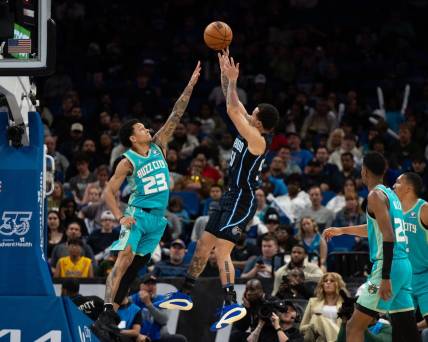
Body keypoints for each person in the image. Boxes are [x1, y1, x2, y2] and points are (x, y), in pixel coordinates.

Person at [153, 49, 279, 331]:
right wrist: (225, 75)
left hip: (242, 200)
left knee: (222, 251)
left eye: (254, 112)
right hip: (229, 196)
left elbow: (233, 108)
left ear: (260, 123)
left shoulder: (257, 139)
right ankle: (185, 292)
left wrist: (234, 83)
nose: (250, 112)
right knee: (202, 245)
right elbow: (233, 102)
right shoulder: (251, 126)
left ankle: (232, 302)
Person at [92, 62, 201, 340]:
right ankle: (106, 311)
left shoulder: (159, 145)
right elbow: (108, 192)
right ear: (132, 137)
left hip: (157, 220)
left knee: (134, 272)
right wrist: (120, 216)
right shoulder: (128, 160)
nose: (146, 129)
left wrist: (190, 84)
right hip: (137, 215)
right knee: (124, 259)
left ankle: (107, 319)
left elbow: (177, 113)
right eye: (141, 128)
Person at [323, 152, 420, 342]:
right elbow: (374, 229)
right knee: (407, 330)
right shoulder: (390, 195)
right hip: (403, 266)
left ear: (364, 171)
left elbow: (389, 237)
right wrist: (342, 230)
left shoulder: (375, 195)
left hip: (389, 267)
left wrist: (385, 277)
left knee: (353, 327)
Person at [393, 172, 428, 331]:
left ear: (408, 188)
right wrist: (343, 230)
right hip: (404, 278)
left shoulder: (424, 209)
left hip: (424, 275)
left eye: (397, 182)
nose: (393, 186)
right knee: (400, 327)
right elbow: (373, 229)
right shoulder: (394, 212)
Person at [130, 274, 188, 342]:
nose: (151, 287)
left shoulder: (162, 299)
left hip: (159, 337)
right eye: (148, 284)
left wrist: (148, 304)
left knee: (180, 339)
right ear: (141, 286)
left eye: (153, 284)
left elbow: (164, 320)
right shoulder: (132, 300)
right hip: (139, 337)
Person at [299, 272, 347, 342]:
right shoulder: (313, 302)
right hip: (316, 338)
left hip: (340, 336)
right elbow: (302, 328)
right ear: (322, 285)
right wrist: (314, 325)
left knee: (318, 318)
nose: (328, 283)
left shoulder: (346, 304)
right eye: (325, 281)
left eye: (332, 281)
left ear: (338, 284)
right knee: (317, 318)